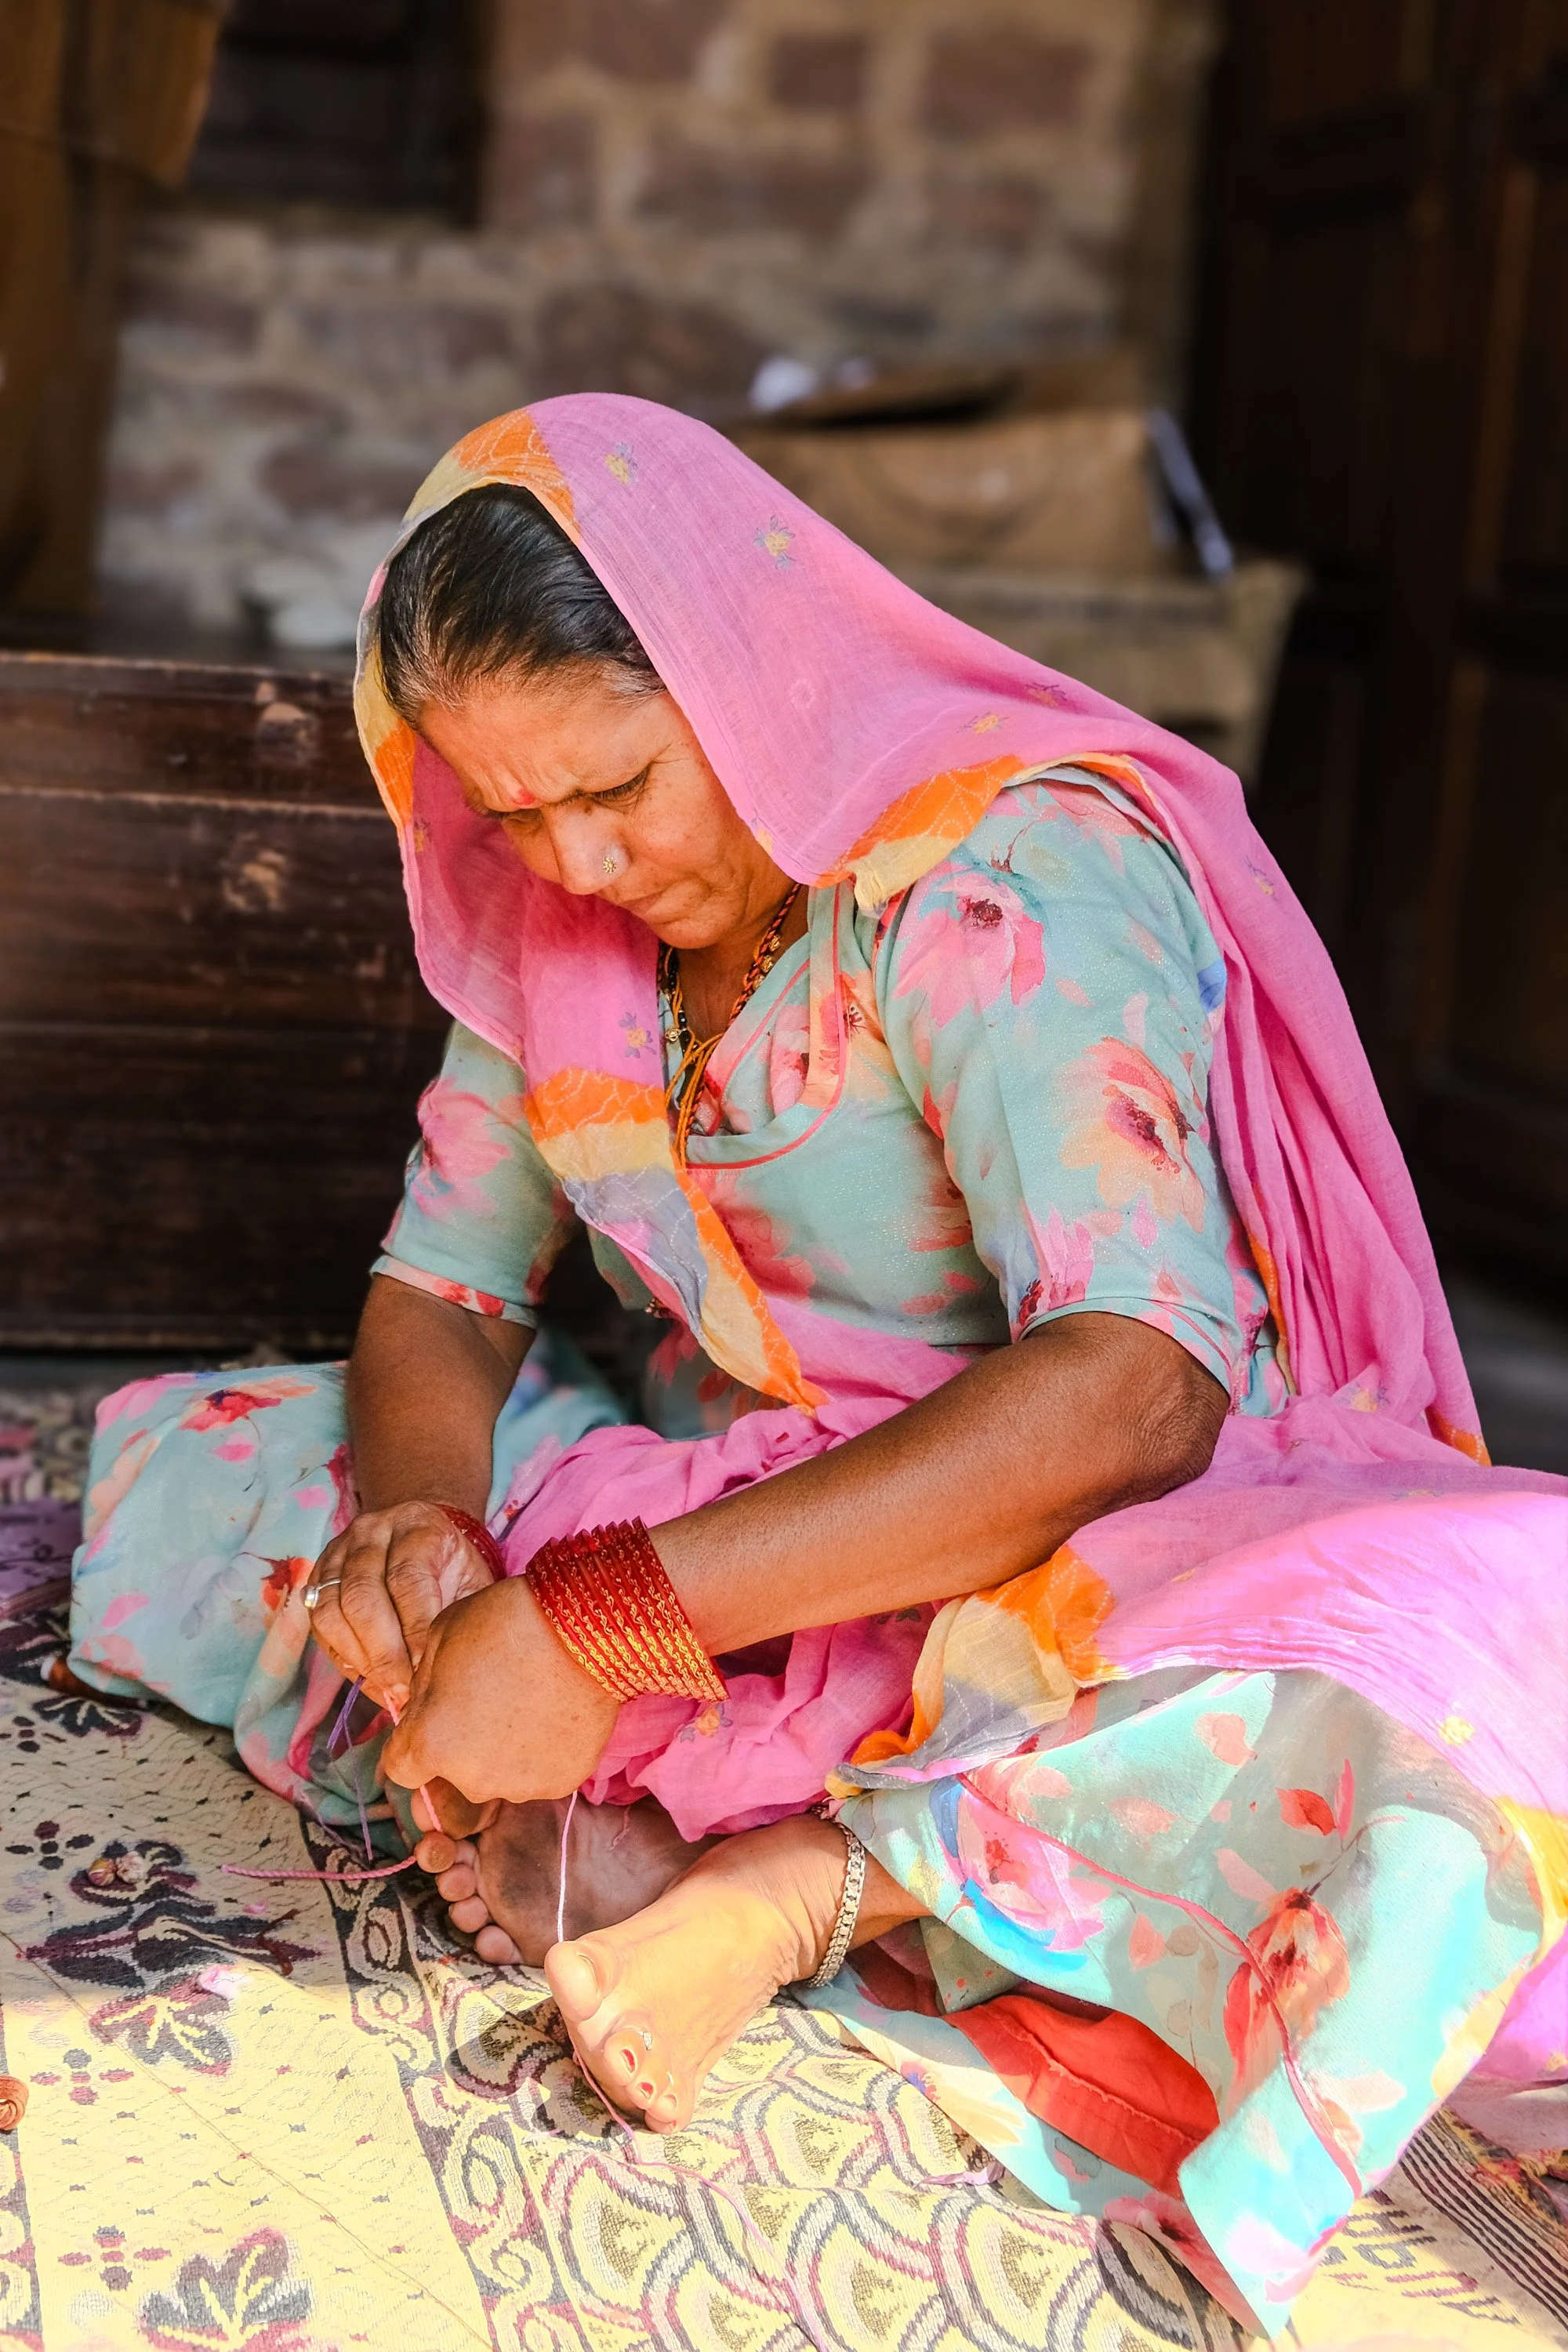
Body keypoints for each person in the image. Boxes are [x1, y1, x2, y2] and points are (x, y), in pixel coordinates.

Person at [67, 397, 1567, 2336]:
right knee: (235, 1468)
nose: (576, 860)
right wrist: (429, 1535)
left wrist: (588, 1629)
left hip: (1088, 1529)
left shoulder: (997, 878)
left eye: (616, 784)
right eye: (508, 811)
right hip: (781, 1531)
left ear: (743, 668)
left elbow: (1135, 1390)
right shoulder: (558, 924)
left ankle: (789, 1885)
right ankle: (772, 1831)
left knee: (1462, 1660)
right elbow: (444, 1294)